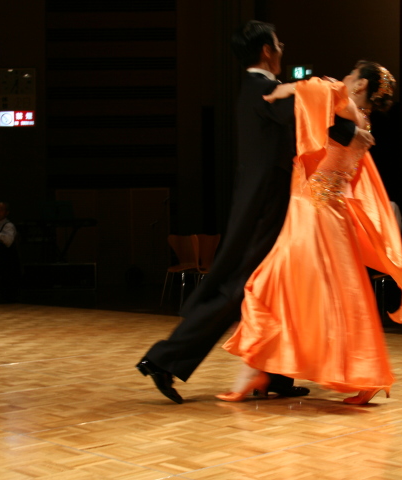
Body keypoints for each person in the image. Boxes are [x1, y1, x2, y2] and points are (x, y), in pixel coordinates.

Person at [136, 21, 373, 404]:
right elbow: (307, 116)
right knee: (238, 289)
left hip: (274, 202)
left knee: (279, 286)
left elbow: (305, 117)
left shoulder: (258, 88)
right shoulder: (263, 89)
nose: (282, 47)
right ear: (266, 50)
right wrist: (350, 129)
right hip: (266, 205)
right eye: (278, 43)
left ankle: (275, 375)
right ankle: (165, 359)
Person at [218, 61, 402, 405]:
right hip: (327, 213)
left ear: (360, 85)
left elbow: (313, 89)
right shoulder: (362, 121)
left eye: (353, 75)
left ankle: (257, 372)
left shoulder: (346, 107)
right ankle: (271, 372)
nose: (346, 77)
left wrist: (280, 90)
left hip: (312, 211)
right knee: (328, 295)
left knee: (274, 284)